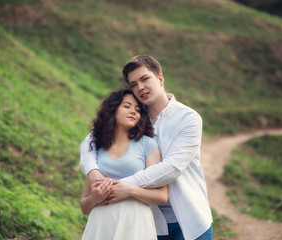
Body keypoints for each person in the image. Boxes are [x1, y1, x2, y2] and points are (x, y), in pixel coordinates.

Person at [80, 55, 213, 240]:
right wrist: (92, 170)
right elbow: (90, 140)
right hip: (148, 223)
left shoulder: (188, 119)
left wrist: (123, 186)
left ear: (160, 79)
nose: (140, 88)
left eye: (144, 79)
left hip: (190, 220)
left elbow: (171, 168)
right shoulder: (135, 118)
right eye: (133, 84)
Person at [80, 89, 168, 240]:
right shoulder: (97, 146)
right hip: (101, 223)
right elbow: (84, 206)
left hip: (135, 222)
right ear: (112, 110)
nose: (133, 111)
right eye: (127, 106)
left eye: (138, 109)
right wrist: (94, 197)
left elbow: (162, 196)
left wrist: (131, 191)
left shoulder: (148, 144)